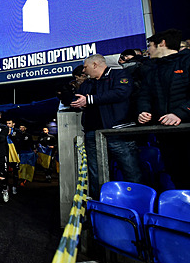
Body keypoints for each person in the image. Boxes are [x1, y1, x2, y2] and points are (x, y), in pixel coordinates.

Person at [71, 54, 142, 199]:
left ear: (95, 65)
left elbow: (121, 93)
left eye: (85, 67)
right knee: (96, 173)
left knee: (130, 170)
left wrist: (90, 100)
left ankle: (138, 204)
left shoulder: (119, 74)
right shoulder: (87, 84)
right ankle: (101, 206)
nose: (84, 71)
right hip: (92, 133)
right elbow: (79, 99)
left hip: (117, 131)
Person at [137, 29, 190, 189]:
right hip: (167, 136)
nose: (148, 50)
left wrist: (180, 113)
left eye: (150, 45)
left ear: (162, 43)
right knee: (178, 178)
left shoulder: (187, 62)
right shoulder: (152, 71)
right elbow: (144, 96)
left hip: (186, 132)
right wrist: (143, 111)